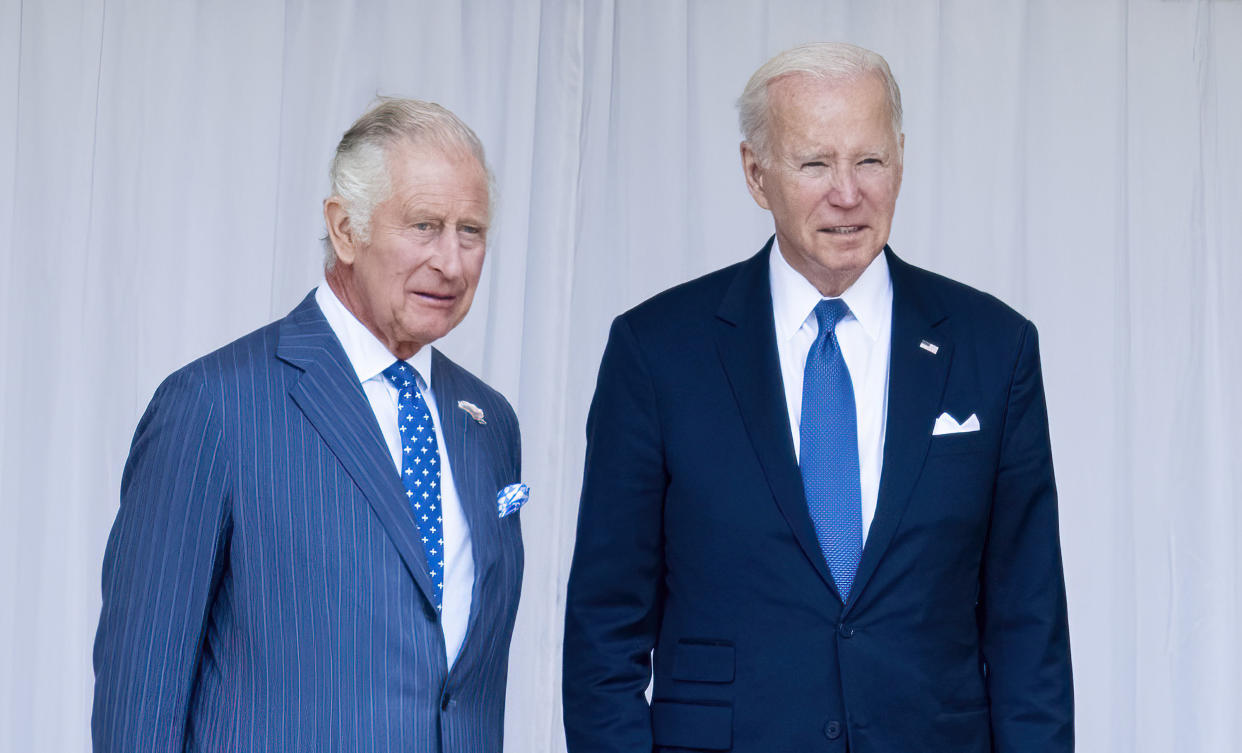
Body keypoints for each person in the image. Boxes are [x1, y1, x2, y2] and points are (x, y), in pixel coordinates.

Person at [563, 42, 1072, 752]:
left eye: (869, 160)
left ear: (901, 158)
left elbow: (1030, 628)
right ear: (756, 173)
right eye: (814, 163)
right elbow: (603, 633)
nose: (847, 192)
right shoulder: (656, 352)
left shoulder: (994, 348)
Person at [93, 98, 526, 753]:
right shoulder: (213, 406)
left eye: (471, 230)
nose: (452, 262)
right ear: (345, 228)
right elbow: (139, 704)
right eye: (424, 225)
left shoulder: (489, 423)